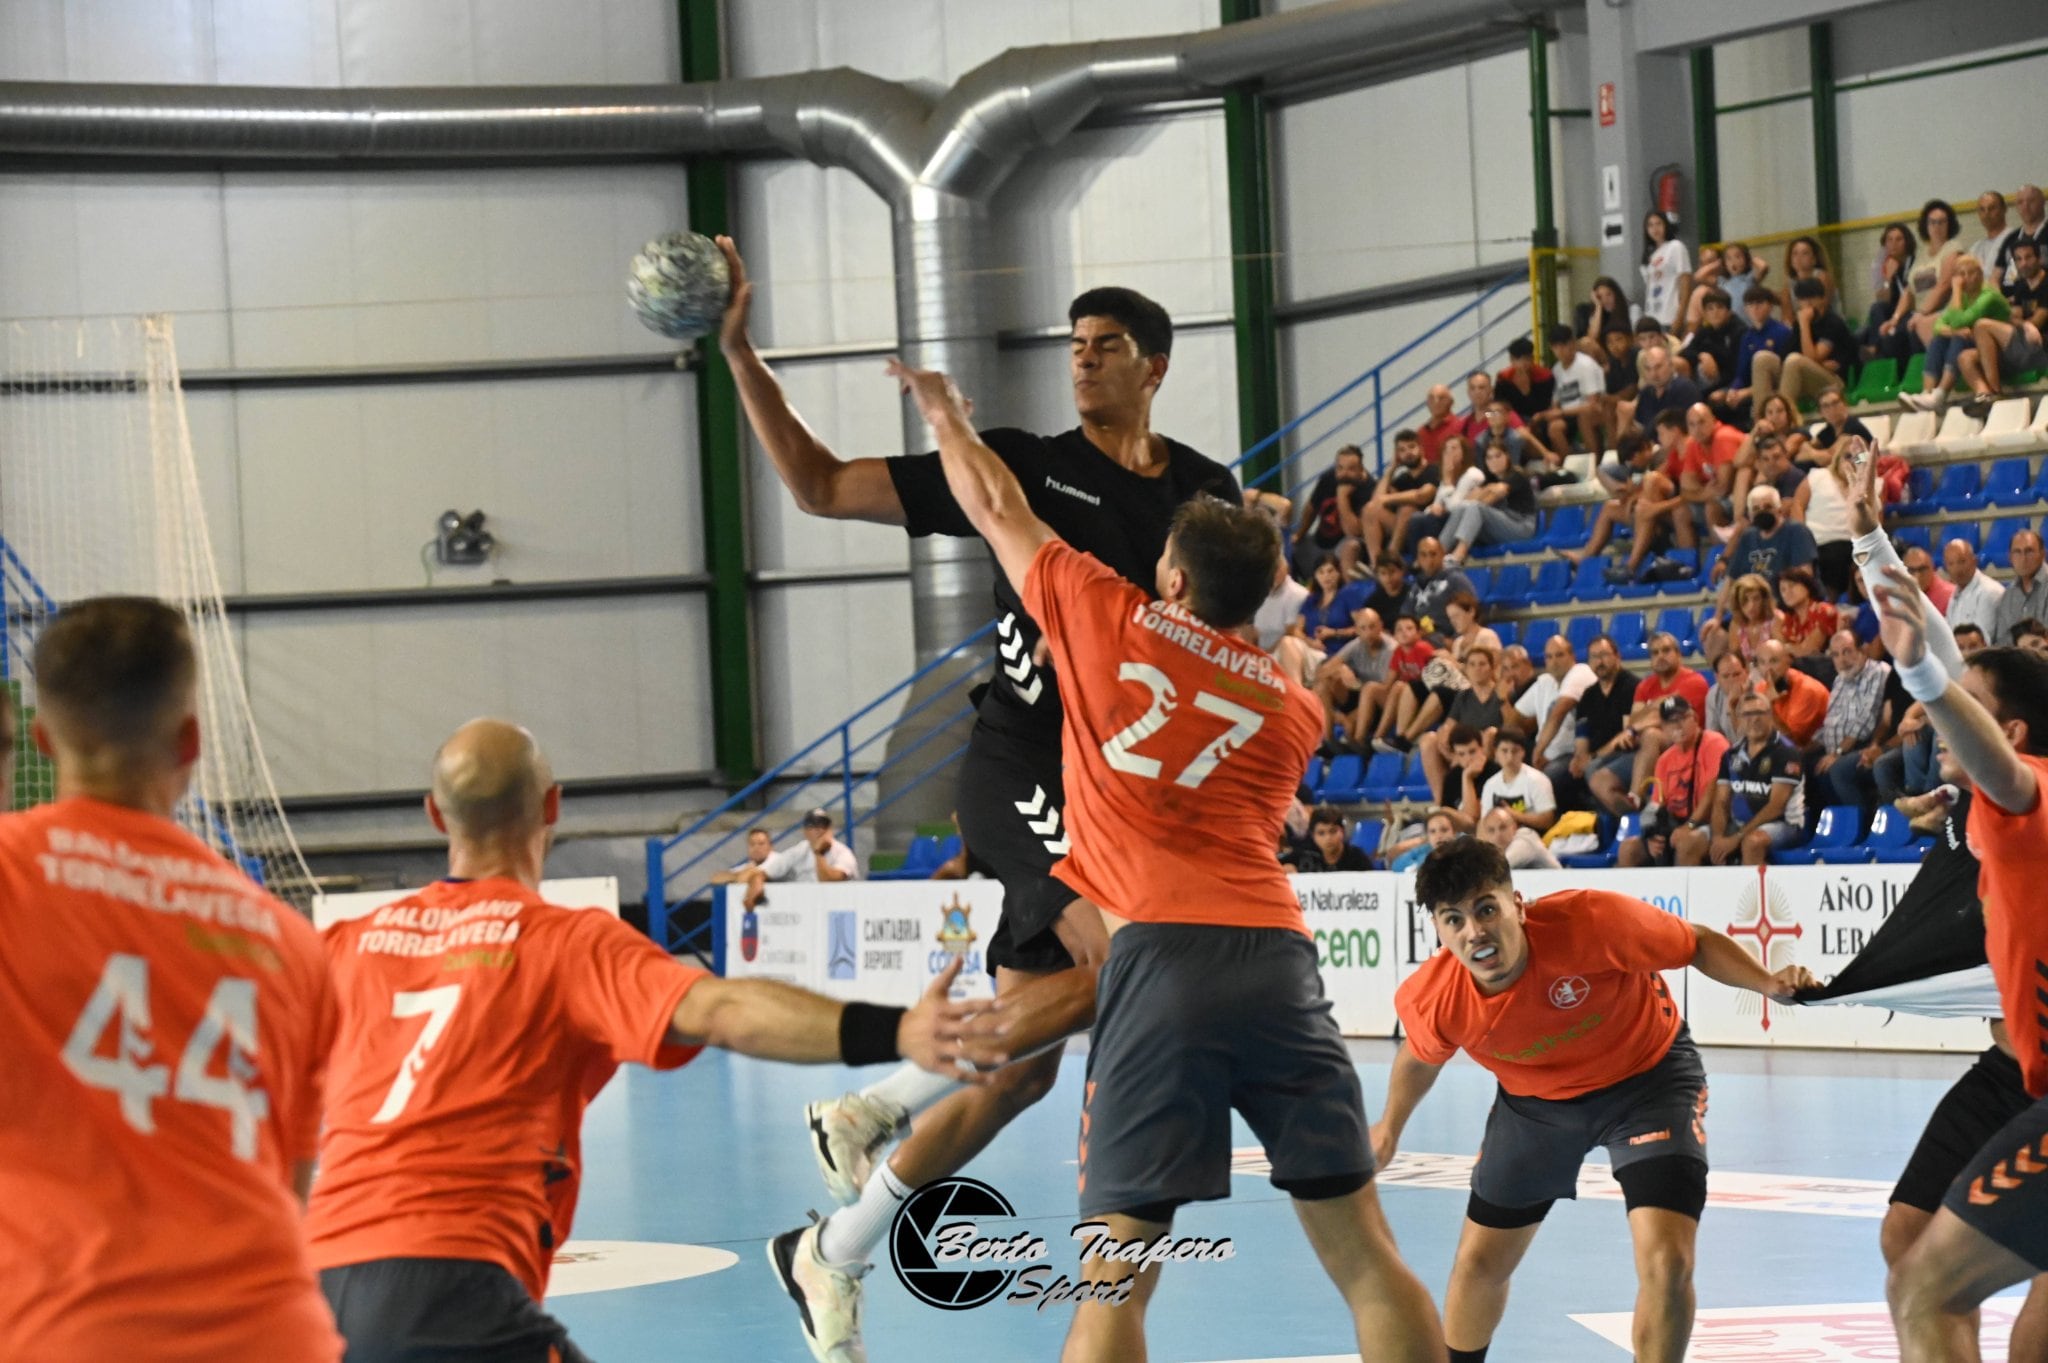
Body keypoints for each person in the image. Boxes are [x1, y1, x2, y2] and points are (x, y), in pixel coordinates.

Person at [715, 238, 1241, 1346]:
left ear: (1153, 366)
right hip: (1020, 766)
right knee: (1128, 957)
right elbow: (816, 487)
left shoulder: (1206, 492)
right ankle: (874, 1103)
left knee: (1022, 1077)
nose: (1082, 361)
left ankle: (828, 1250)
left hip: (1121, 791)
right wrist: (739, 354)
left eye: (1106, 348)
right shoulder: (1017, 464)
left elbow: (1225, 643)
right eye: (1074, 346)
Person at [889, 356, 1445, 1363]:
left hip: (1156, 965)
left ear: (1172, 577)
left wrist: (942, 415)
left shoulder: (1104, 616)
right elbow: (1276, 662)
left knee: (1110, 1284)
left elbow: (992, 502)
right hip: (1277, 960)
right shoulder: (1293, 712)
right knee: (1365, 1256)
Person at [305, 719, 984, 1363]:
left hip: (318, 1283)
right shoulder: (564, 945)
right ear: (552, 806)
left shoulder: (345, 946)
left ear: (432, 813)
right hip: (453, 1283)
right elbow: (721, 1007)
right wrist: (893, 1028)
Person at [0, 598, 341, 1363]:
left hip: (72, 1329)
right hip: (276, 1334)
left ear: (43, 739)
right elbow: (292, 1187)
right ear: (190, 738)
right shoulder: (289, 941)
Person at [1378, 838, 1813, 1363]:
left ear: (1517, 904)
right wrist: (1389, 1128)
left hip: (1649, 1083)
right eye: (1454, 920)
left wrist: (1767, 982)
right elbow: (1420, 1059)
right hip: (1534, 1107)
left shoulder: (1591, 921)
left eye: (1486, 909)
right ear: (1440, 931)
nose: (1475, 932)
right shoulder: (1436, 997)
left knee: (1667, 1263)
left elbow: (1694, 942)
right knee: (1478, 1266)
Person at [1867, 556, 2048, 1356]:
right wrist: (1873, 539)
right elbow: (1960, 671)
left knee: (1925, 1289)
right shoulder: (1987, 803)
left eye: (1959, 713)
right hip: (2024, 1081)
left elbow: (1998, 761)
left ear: (2004, 732)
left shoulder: (2024, 793)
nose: (1928, 721)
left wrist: (1917, 673)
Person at [1674, 688, 1809, 866]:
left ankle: (1752, 894)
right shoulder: (1731, 754)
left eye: (1760, 713)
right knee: (1688, 843)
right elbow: (1721, 801)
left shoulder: (1786, 752)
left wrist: (1736, 838)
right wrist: (1718, 839)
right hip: (1739, 825)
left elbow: (1776, 807)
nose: (1754, 719)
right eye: (1747, 714)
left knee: (1752, 842)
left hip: (1785, 825)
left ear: (1770, 715)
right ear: (1738, 719)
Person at [1621, 696, 1730, 868]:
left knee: (1686, 842)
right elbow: (1656, 805)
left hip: (1711, 824)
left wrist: (1690, 825)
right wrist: (1651, 835)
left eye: (1683, 718)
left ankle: (1687, 895)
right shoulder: (1665, 760)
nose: (1678, 726)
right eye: (1671, 722)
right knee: (1628, 849)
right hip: (1676, 825)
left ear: (1694, 718)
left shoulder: (1714, 743)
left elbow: (1713, 792)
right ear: (1663, 728)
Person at [1902, 255, 2009, 411]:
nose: (1965, 279)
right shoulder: (1963, 297)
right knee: (1939, 340)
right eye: (1961, 274)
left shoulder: (1988, 295)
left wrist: (1956, 290)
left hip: (1999, 349)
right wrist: (1953, 330)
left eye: (1970, 273)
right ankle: (1928, 393)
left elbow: (1960, 321)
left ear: (1980, 274)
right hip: (1979, 347)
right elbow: (1938, 326)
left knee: (1960, 337)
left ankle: (1940, 394)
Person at [1811, 628, 1894, 810]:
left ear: (1862, 650)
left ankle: (1861, 824)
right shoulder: (1840, 679)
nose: (1842, 660)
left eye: (1847, 651)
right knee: (1806, 766)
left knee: (1836, 770)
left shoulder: (1877, 672)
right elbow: (1830, 723)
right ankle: (1838, 828)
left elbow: (1865, 722)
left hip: (1867, 745)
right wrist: (1803, 749)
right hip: (1838, 748)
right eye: (1835, 655)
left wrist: (1837, 753)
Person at [1961, 237, 2048, 399]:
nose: (2023, 263)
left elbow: (2035, 323)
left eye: (2028, 257)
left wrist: (2005, 320)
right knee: (1965, 358)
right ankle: (1984, 395)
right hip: (2019, 348)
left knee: (1982, 325)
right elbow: (2013, 315)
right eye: (2018, 259)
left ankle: (1995, 393)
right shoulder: (2022, 286)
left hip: (2039, 347)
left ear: (2039, 258)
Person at [1753, 277, 1855, 409]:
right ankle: (1761, 419)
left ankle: (1784, 418)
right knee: (1762, 358)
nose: (1807, 304)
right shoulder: (1798, 324)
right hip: (1806, 374)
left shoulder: (1832, 323)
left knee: (1794, 361)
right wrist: (1819, 364)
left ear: (1822, 299)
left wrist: (1804, 324)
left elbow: (1811, 358)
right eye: (1802, 299)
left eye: (1812, 298)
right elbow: (1785, 357)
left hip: (1834, 381)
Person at [1443, 429, 1538, 567]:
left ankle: (1458, 556)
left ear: (1508, 457)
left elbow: (1498, 491)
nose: (1493, 461)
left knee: (1475, 508)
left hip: (1521, 526)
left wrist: (1483, 494)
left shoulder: (1516, 474)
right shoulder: (1489, 480)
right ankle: (1439, 551)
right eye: (1489, 457)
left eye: (1498, 456)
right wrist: (1485, 492)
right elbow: (1467, 500)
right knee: (1463, 508)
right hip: (1501, 525)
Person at [1313, 605, 1394, 752]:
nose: (1368, 633)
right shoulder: (1356, 645)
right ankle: (1328, 740)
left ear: (1380, 626)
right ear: (1356, 630)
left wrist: (1349, 717)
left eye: (1372, 627)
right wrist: (1340, 669)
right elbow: (1321, 673)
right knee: (1324, 684)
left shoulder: (1391, 649)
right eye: (1363, 628)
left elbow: (1386, 689)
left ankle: (1359, 741)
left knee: (1369, 691)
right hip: (1357, 696)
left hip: (1380, 703)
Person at [742, 808, 860, 908]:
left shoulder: (843, 852)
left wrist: (819, 853)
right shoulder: (800, 850)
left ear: (830, 830)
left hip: (839, 907)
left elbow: (827, 881)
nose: (818, 829)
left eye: (823, 825)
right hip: (807, 909)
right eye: (812, 826)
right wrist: (757, 880)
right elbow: (765, 872)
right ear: (805, 832)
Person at [1360, 430, 1441, 570]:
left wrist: (1387, 498)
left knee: (1407, 509)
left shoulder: (1433, 470)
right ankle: (1376, 565)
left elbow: (1422, 496)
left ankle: (1389, 561)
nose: (1408, 453)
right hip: (1402, 530)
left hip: (1426, 529)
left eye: (1411, 447)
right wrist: (1391, 469)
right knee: (1369, 509)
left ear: (1421, 449)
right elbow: (1376, 502)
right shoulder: (1403, 479)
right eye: (1402, 450)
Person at [1290, 444, 1371, 579]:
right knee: (1286, 546)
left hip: (1347, 547)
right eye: (1340, 468)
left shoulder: (1368, 488)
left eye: (1351, 469)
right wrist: (1299, 535)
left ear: (1361, 470)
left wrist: (1342, 497)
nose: (1344, 473)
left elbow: (1354, 532)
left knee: (1350, 546)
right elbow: (1311, 508)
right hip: (1320, 543)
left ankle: (1345, 596)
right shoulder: (1328, 478)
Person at [1720, 286, 1794, 422]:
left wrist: (1747, 392)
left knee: (1762, 359)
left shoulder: (1782, 332)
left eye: (1759, 303)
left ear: (1770, 306)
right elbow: (1741, 374)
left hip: (1778, 384)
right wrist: (1734, 390)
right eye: (1750, 304)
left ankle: (1759, 421)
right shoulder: (1747, 337)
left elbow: (1786, 372)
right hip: (1753, 386)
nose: (1755, 308)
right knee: (1720, 401)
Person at [1536, 322, 1610, 455]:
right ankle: (1569, 464)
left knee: (1584, 417)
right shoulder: (1556, 370)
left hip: (1592, 411)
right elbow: (1556, 403)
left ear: (1573, 344)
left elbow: (1592, 404)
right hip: (1568, 414)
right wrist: (1550, 414)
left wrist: (1561, 412)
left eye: (1564, 345)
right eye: (1556, 347)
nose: (1561, 351)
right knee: (1554, 428)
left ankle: (1594, 461)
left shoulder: (1585, 365)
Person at [1907, 198, 1969, 349]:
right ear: (1925, 225)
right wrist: (1894, 318)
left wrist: (1921, 313)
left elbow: (1944, 284)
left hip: (1942, 309)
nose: (1937, 226)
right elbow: (1908, 289)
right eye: (1932, 222)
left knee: (1911, 330)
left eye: (1942, 222)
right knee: (1891, 332)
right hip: (1919, 311)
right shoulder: (1921, 254)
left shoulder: (1953, 247)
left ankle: (1936, 367)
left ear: (1949, 224)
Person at [1862, 221, 1921, 364]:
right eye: (1890, 240)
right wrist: (1888, 278)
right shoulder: (1886, 264)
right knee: (1876, 308)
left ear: (1906, 242)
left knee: (1893, 334)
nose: (1893, 244)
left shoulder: (1914, 262)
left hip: (1910, 310)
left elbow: (1912, 298)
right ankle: (1874, 347)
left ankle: (1879, 349)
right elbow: (1883, 300)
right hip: (1893, 311)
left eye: (1898, 239)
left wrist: (1895, 319)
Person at [1477, 729, 1555, 834]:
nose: (1509, 757)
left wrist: (1514, 815)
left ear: (1523, 752)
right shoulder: (1490, 784)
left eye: (1515, 751)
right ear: (1496, 752)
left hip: (1528, 837)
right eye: (1504, 751)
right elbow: (1484, 822)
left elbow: (1547, 820)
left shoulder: (1537, 780)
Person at [1992, 530, 2048, 647]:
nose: (2023, 558)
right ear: (2010, 557)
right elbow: (2002, 641)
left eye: (2029, 551)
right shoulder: (2008, 596)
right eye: (2017, 552)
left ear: (2043, 554)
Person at [1944, 537, 2006, 642]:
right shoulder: (1954, 594)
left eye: (1962, 561)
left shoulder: (1990, 591)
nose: (1957, 569)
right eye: (1951, 564)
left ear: (1974, 561)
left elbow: (1983, 641)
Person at [1639, 209, 1693, 330]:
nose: (1655, 229)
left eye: (1658, 223)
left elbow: (1685, 283)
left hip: (1670, 316)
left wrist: (1679, 316)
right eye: (1650, 225)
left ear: (1666, 225)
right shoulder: (1649, 255)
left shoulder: (1675, 247)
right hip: (1651, 318)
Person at [1287, 805, 1375, 873]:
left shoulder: (1357, 858)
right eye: (1321, 833)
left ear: (1343, 831)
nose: (1328, 838)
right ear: (1313, 835)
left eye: (1333, 831)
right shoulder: (1304, 855)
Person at [1477, 803, 1560, 870]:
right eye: (1491, 830)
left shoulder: (1526, 838)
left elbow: (1501, 867)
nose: (1498, 835)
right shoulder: (1495, 851)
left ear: (1514, 827)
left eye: (1503, 827)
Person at [711, 826, 776, 883]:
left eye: (761, 844)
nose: (756, 848)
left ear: (770, 847)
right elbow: (715, 878)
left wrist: (738, 876)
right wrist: (738, 875)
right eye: (752, 844)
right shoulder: (751, 865)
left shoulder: (776, 860)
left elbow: (744, 878)